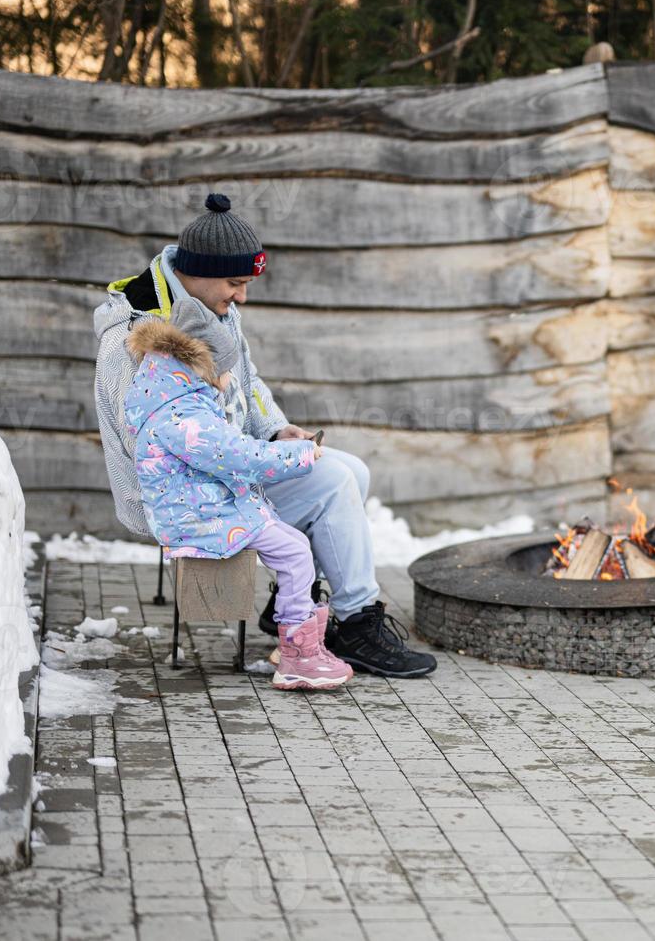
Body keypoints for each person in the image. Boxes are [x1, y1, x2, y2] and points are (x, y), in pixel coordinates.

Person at [93, 193, 437, 678]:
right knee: (334, 481)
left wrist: (274, 430)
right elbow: (151, 447)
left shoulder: (209, 309)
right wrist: (257, 457)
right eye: (236, 283)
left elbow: (248, 384)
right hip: (183, 495)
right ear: (200, 270)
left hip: (227, 468)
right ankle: (358, 623)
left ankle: (291, 606)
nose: (243, 297)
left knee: (350, 470)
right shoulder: (132, 335)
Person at [124, 299, 352, 691]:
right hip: (199, 518)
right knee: (296, 552)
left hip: (203, 504)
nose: (229, 380)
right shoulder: (185, 417)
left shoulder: (164, 394)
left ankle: (298, 642)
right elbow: (241, 456)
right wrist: (299, 454)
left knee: (294, 544)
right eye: (226, 371)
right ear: (202, 367)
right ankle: (299, 656)